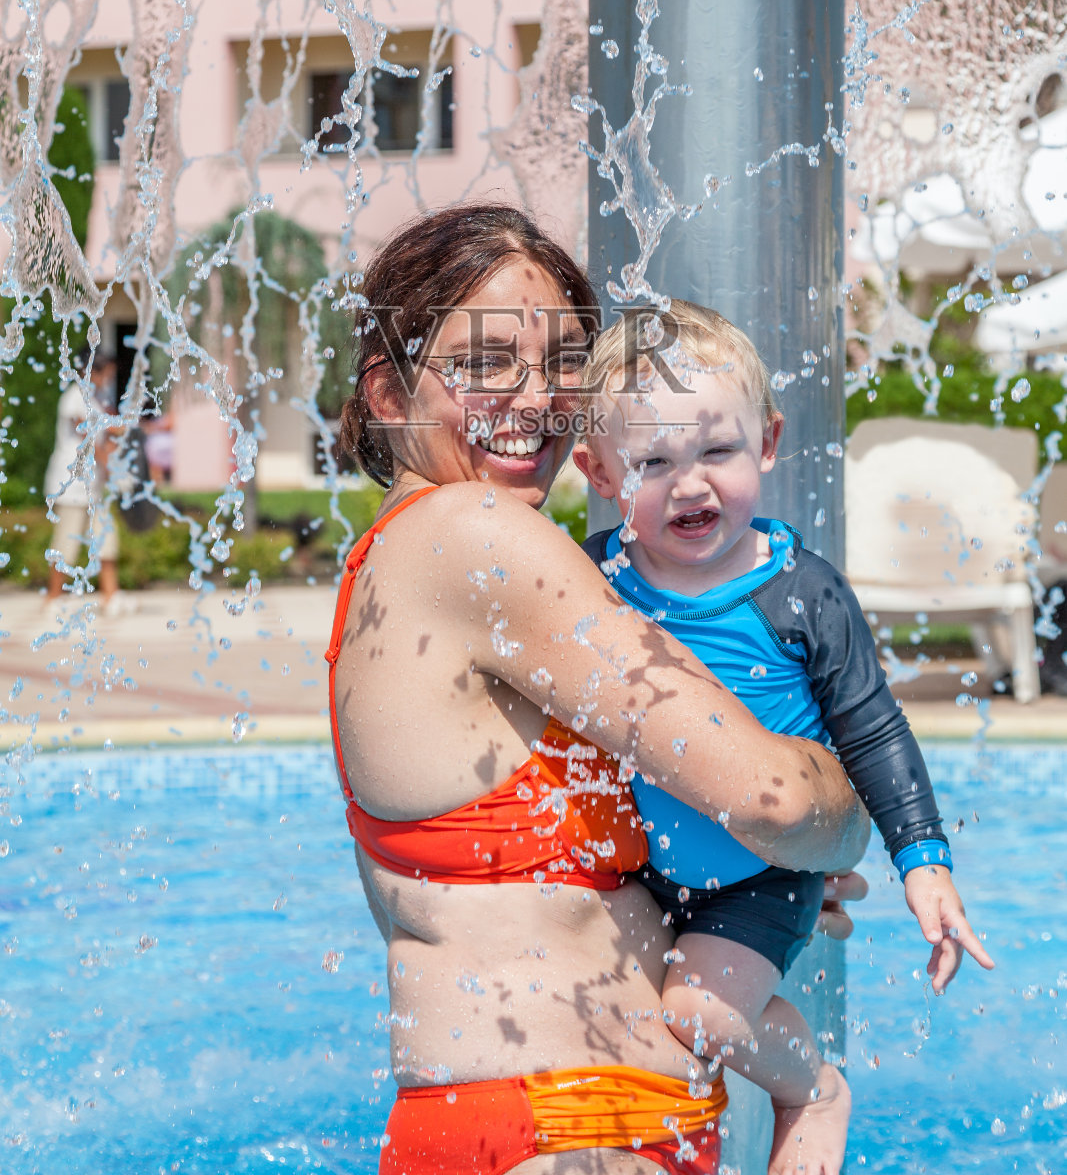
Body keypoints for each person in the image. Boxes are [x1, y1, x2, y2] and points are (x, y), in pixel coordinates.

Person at [326, 203, 870, 1175]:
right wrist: (843, 806)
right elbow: (773, 793)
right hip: (569, 1132)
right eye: (486, 363)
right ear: (387, 394)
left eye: (564, 360)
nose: (536, 398)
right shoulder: (474, 534)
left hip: (525, 1120)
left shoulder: (392, 562)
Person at [572, 301, 994, 1175]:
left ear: (766, 443)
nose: (688, 484)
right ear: (600, 470)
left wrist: (923, 860)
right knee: (614, 1031)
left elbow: (872, 727)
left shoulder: (800, 592)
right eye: (652, 461)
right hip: (632, 871)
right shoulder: (589, 583)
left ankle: (810, 1091)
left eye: (715, 451)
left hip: (759, 877)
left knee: (700, 1019)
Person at [44, 352, 122, 606]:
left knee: (106, 539)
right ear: (92, 372)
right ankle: (53, 597)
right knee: (66, 542)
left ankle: (111, 596)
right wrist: (108, 461)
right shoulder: (73, 398)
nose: (109, 379)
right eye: (107, 373)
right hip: (71, 484)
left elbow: (104, 435)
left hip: (93, 486)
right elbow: (86, 436)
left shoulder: (97, 400)